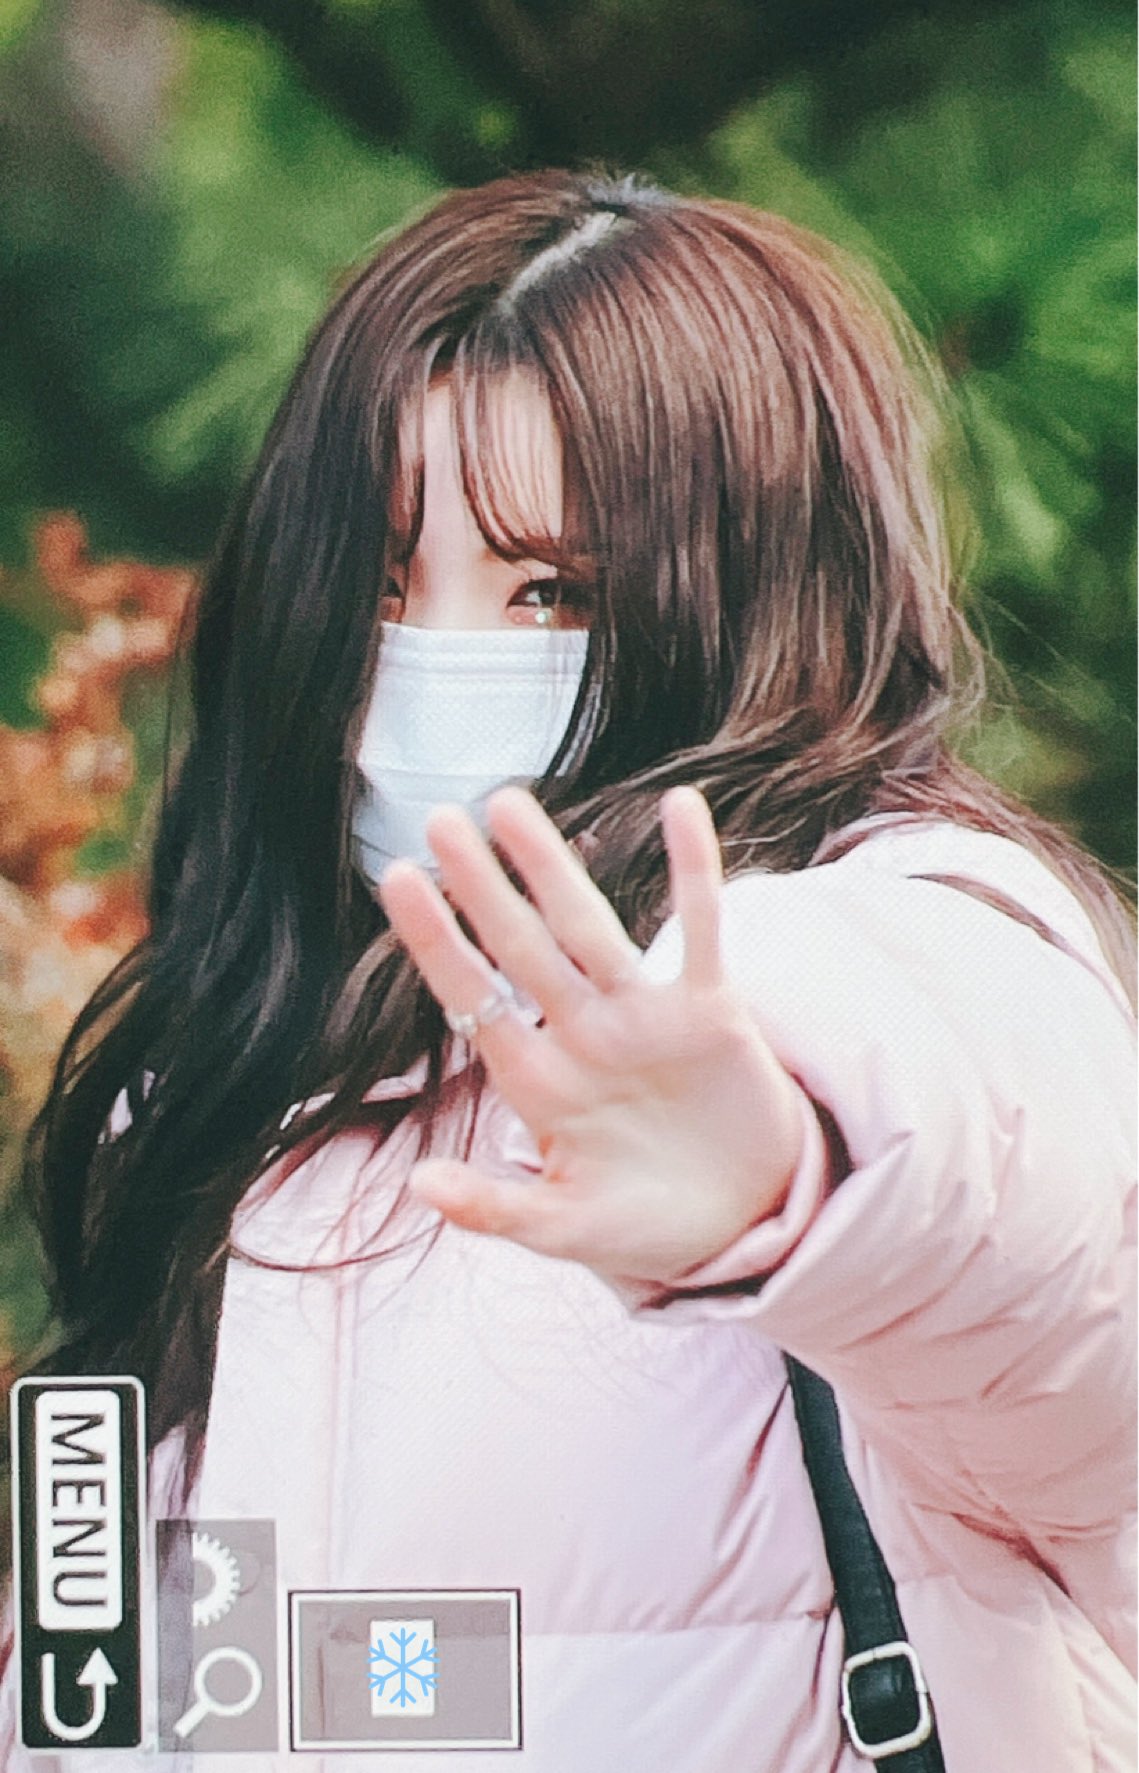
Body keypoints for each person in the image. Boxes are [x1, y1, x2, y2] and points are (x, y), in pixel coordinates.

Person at [1, 169, 1134, 1771]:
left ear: (742, 599)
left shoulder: (891, 927)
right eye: (385, 581)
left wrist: (793, 1174)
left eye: (549, 589)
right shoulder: (230, 1090)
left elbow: (1035, 1218)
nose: (436, 655)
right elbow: (172, 1697)